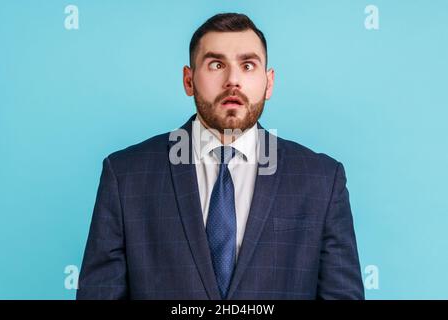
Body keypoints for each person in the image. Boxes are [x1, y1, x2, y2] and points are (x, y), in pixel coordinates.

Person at [77, 13, 364, 300]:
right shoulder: (124, 175)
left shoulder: (322, 180)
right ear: (188, 80)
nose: (232, 81)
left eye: (248, 65)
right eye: (216, 64)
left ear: (269, 82)